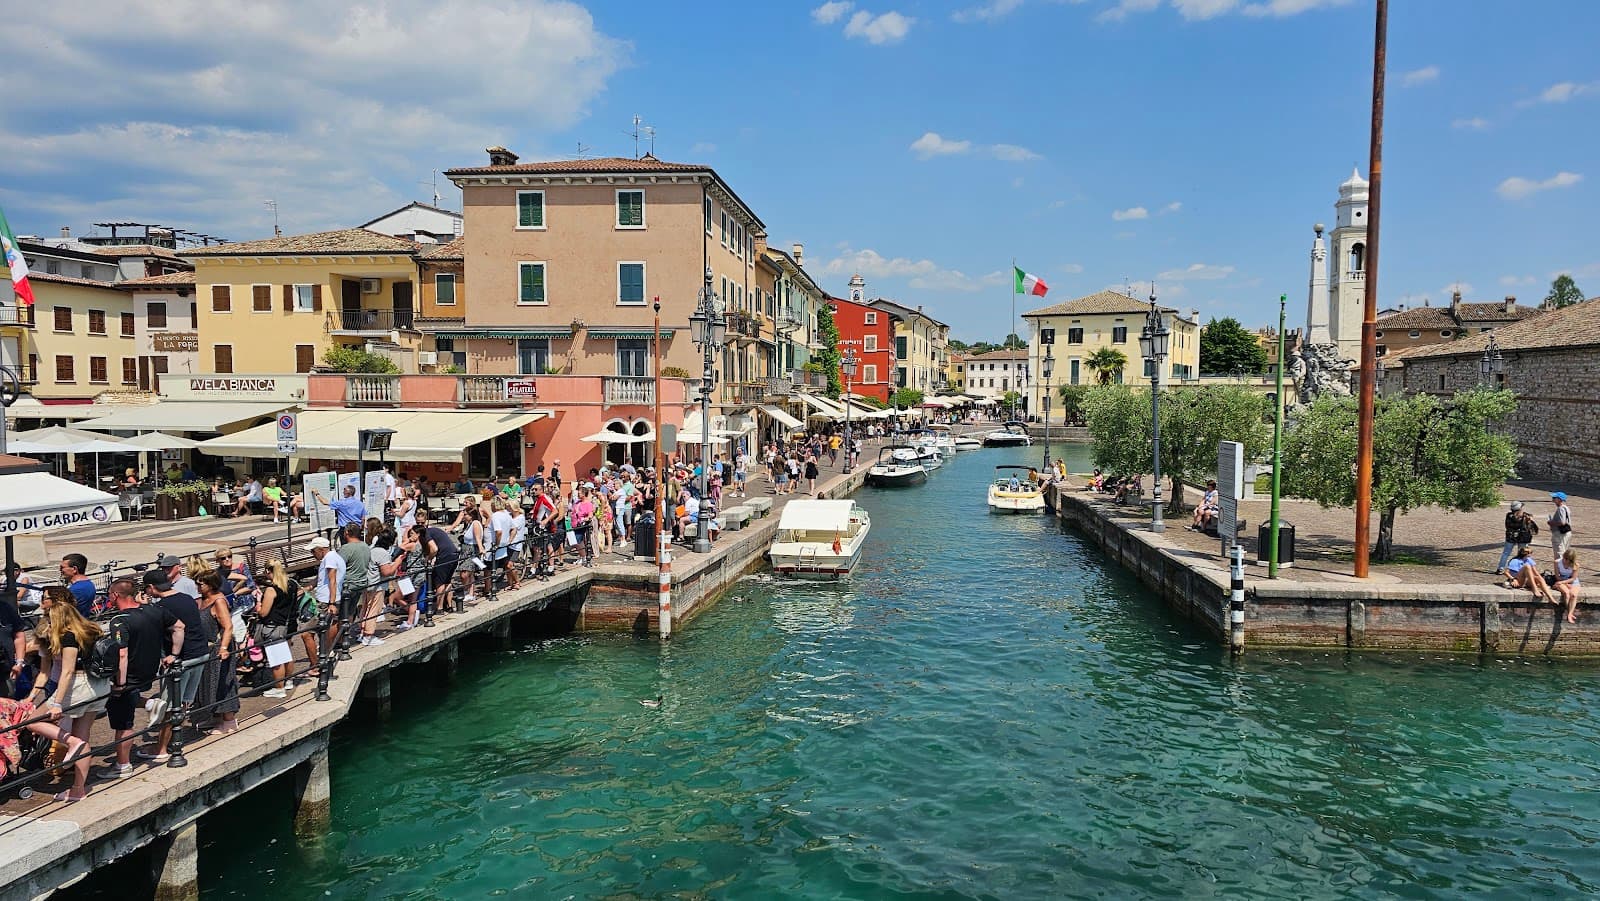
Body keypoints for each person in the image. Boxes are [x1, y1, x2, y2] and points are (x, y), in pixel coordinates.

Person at [97, 577, 177, 780]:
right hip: (148, 672)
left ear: (115, 595)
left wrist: (120, 683)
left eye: (109, 594)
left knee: (123, 724)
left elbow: (122, 653)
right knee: (127, 708)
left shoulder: (119, 620)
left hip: (128, 676)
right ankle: (150, 703)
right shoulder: (153, 611)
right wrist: (173, 654)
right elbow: (179, 626)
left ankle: (123, 764)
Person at [138, 568, 207, 765]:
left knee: (170, 706)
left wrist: (144, 608)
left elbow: (160, 628)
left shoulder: (161, 606)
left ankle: (161, 749)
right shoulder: (186, 598)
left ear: (151, 588)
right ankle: (174, 741)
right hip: (200, 653)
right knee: (183, 702)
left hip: (181, 659)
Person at [193, 572, 240, 735]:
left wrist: (224, 648)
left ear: (211, 584)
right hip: (206, 648)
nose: (198, 587)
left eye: (201, 584)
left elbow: (228, 626)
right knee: (209, 684)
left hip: (218, 647)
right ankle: (216, 716)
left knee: (222, 682)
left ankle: (229, 721)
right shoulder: (201, 600)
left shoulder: (218, 601)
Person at [253, 560, 296, 697]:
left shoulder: (271, 590)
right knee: (287, 655)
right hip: (288, 624)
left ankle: (279, 688)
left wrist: (258, 605)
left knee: (277, 658)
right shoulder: (291, 584)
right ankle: (288, 681)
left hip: (273, 626)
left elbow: (263, 613)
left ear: (267, 571)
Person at [336, 523, 371, 649]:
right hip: (360, 584)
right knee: (350, 612)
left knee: (341, 614)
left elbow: (338, 566)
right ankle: (345, 637)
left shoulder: (346, 549)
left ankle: (339, 640)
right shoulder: (365, 546)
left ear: (347, 533)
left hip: (348, 585)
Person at [1495, 501, 1538, 575]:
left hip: (1511, 536)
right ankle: (1521, 569)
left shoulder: (1509, 515)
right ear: (1520, 508)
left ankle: (1500, 568)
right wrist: (1530, 521)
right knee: (1523, 554)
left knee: (1506, 553)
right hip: (1523, 537)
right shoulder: (1526, 516)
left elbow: (1508, 526)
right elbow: (1532, 529)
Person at [1554, 549, 1583, 624]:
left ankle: (1570, 614)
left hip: (1572, 581)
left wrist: (1565, 583)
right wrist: (1564, 583)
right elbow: (1557, 576)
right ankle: (1569, 613)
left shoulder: (1576, 565)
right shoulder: (1557, 562)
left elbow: (1573, 578)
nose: (1566, 561)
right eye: (1565, 558)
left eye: (1568, 560)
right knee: (1566, 593)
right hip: (1561, 579)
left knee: (1573, 595)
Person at [1549, 492, 1574, 561]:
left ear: (1559, 499)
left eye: (1554, 498)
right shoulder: (1566, 507)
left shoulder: (1561, 509)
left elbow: (1562, 522)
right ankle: (1565, 566)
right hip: (1566, 532)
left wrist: (1551, 523)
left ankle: (1560, 567)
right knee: (1565, 552)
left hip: (1560, 533)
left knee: (1559, 553)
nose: (1552, 499)